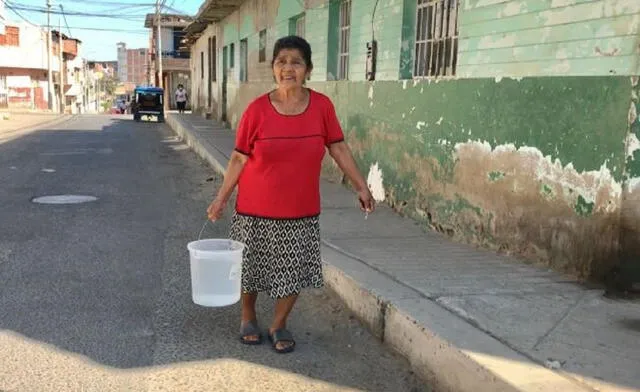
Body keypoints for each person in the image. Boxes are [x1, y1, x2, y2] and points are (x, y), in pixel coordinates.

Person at [207, 36, 375, 354]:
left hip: (300, 210)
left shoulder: (322, 106)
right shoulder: (256, 111)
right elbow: (239, 157)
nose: (288, 68)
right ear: (273, 68)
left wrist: (360, 185)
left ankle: (279, 324)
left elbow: (337, 146)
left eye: (296, 62)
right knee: (250, 268)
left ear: (308, 69)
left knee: (293, 269)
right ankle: (247, 317)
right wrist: (222, 197)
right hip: (254, 209)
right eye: (281, 61)